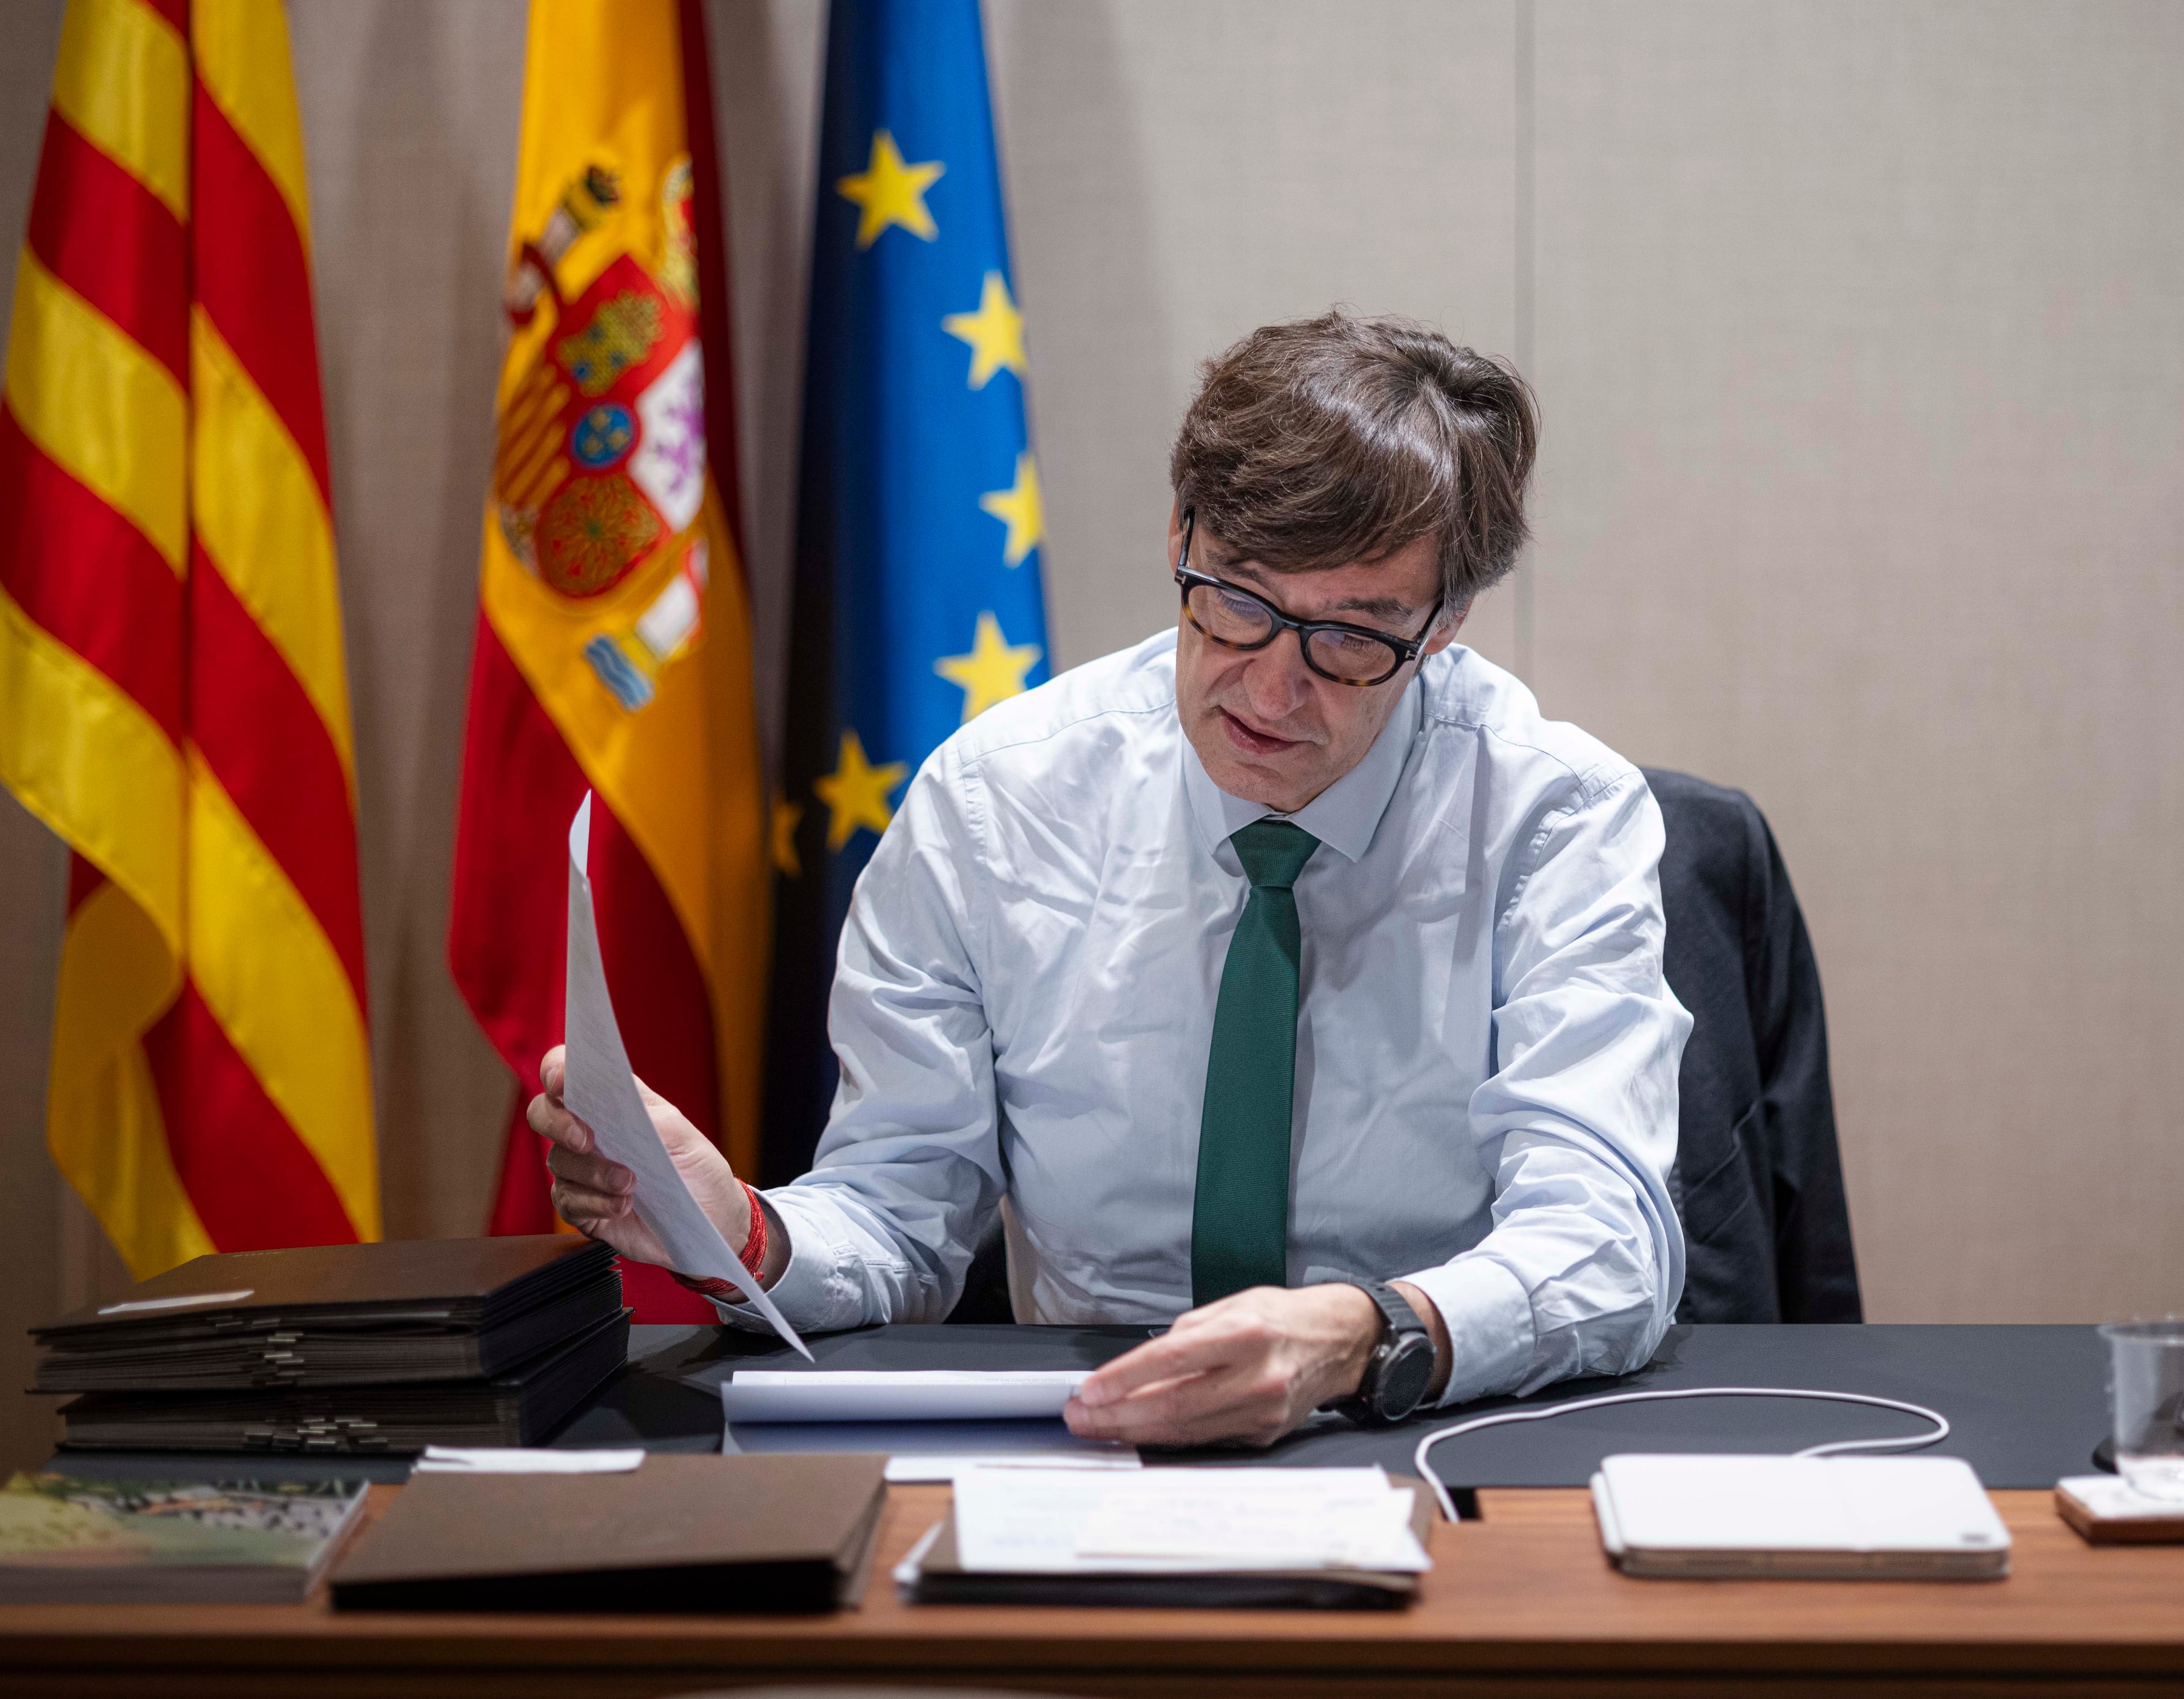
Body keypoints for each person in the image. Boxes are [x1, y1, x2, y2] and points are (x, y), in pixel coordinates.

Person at [529, 311, 1692, 1445]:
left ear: (1446, 625)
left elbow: (1606, 1241)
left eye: (1350, 639)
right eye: (1236, 600)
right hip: (1086, 1429)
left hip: (1418, 1414)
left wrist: (1362, 1335)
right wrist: (739, 1228)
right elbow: (900, 1213)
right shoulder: (997, 804)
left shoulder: (1553, 818)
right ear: (1179, 531)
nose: (1271, 692)